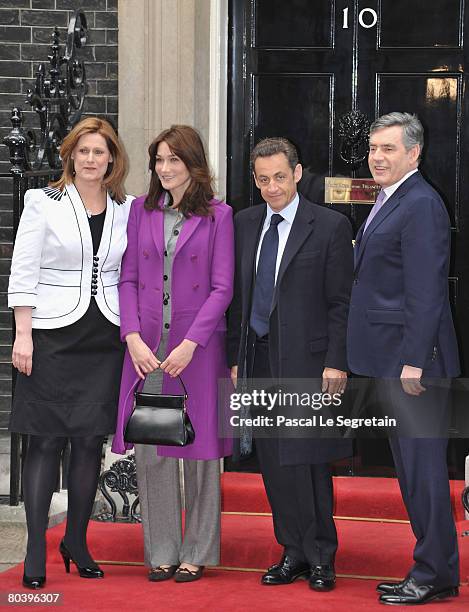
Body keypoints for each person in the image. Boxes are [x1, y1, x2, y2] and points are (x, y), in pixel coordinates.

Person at [8, 117, 133, 588]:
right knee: (43, 440)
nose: (90, 160)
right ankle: (35, 548)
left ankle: (76, 540)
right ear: (70, 155)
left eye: (99, 152)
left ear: (111, 159)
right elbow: (23, 271)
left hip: (105, 336)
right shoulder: (42, 201)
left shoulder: (127, 206)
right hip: (51, 336)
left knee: (88, 443)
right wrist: (23, 334)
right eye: (83, 151)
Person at [227, 137, 353, 591]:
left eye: (280, 177)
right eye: (263, 179)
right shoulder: (243, 224)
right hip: (257, 357)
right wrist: (234, 359)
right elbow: (236, 298)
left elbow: (342, 303)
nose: (272, 187)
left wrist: (336, 363)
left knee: (307, 460)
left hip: (307, 362)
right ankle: (292, 551)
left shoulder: (330, 225)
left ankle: (321, 556)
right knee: (274, 462)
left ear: (298, 173)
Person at [112, 125, 234, 583]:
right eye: (158, 161)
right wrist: (132, 337)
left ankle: (197, 551)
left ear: (192, 165)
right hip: (146, 347)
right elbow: (127, 280)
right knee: (152, 446)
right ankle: (161, 550)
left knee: (201, 452)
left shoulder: (219, 216)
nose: (164, 169)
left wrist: (191, 343)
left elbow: (222, 288)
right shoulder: (140, 213)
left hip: (197, 348)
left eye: (173, 161)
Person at [347, 112, 460, 605]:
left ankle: (434, 572)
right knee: (412, 472)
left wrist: (415, 360)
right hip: (392, 358)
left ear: (414, 153)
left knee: (425, 474)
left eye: (389, 149)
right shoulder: (392, 199)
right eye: (374, 148)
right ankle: (433, 569)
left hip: (414, 365)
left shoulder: (421, 204)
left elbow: (427, 289)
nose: (377, 157)